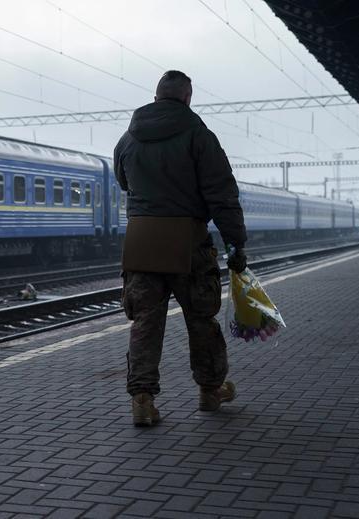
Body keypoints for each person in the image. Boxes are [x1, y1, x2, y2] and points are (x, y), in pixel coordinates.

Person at [113, 70, 248, 427]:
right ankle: (210, 390)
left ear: (156, 97)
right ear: (187, 98)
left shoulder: (128, 139)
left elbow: (123, 181)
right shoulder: (199, 136)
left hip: (140, 242)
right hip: (187, 242)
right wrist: (236, 242)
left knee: (144, 323)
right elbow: (222, 194)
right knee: (201, 320)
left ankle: (142, 401)